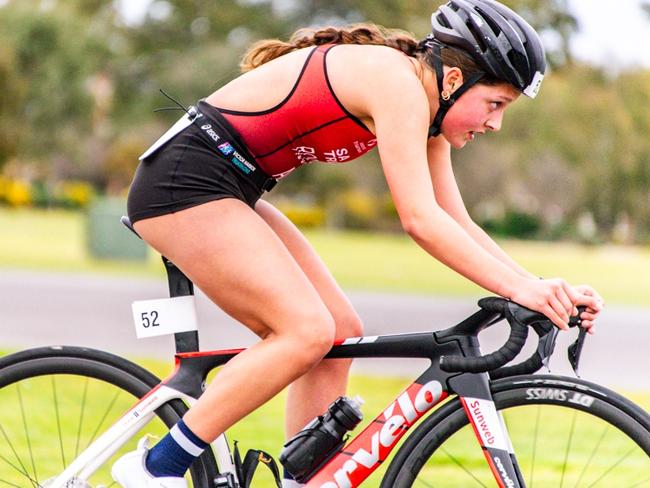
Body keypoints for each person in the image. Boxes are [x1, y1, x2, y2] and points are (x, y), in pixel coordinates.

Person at [112, 0, 604, 486]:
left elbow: (456, 220)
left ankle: (300, 481)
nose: (495, 123)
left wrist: (538, 287)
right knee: (305, 331)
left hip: (231, 186)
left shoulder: (430, 107)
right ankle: (156, 468)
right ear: (455, 80)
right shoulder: (396, 83)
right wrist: (523, 290)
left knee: (340, 332)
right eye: (495, 103)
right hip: (184, 183)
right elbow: (419, 220)